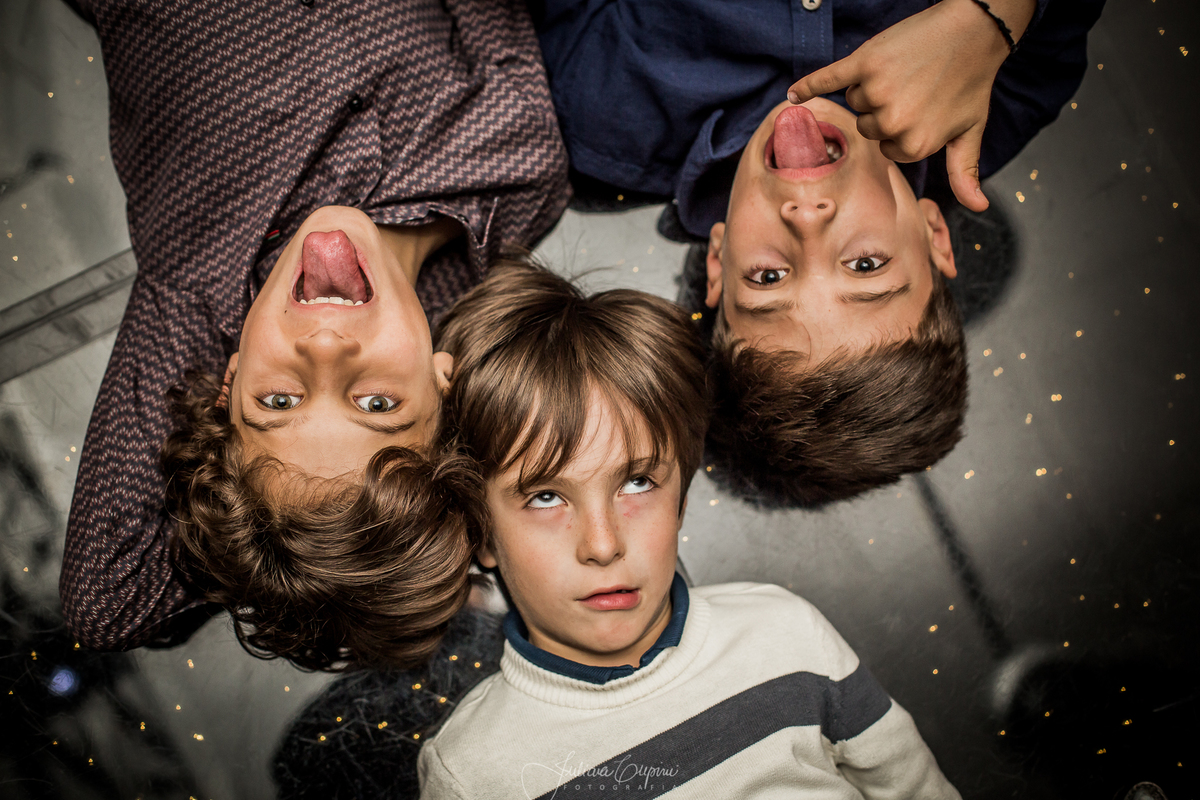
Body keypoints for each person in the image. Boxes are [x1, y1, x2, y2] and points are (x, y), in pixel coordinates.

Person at [58, 0, 569, 662]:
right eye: (377, 404)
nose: (325, 346)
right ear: (447, 387)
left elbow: (106, 604)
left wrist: (277, 562)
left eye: (277, 400)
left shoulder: (200, 267)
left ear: (230, 382)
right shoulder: (522, 173)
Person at [417, 261, 960, 798]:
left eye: (636, 483)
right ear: (482, 533)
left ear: (679, 499)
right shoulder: (471, 772)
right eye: (544, 497)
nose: (603, 545)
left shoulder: (785, 635)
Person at [535, 0, 1106, 506]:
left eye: (767, 277)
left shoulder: (598, 114)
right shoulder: (999, 102)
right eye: (865, 266)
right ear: (935, 235)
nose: (807, 222)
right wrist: (989, 19)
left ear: (718, 261)